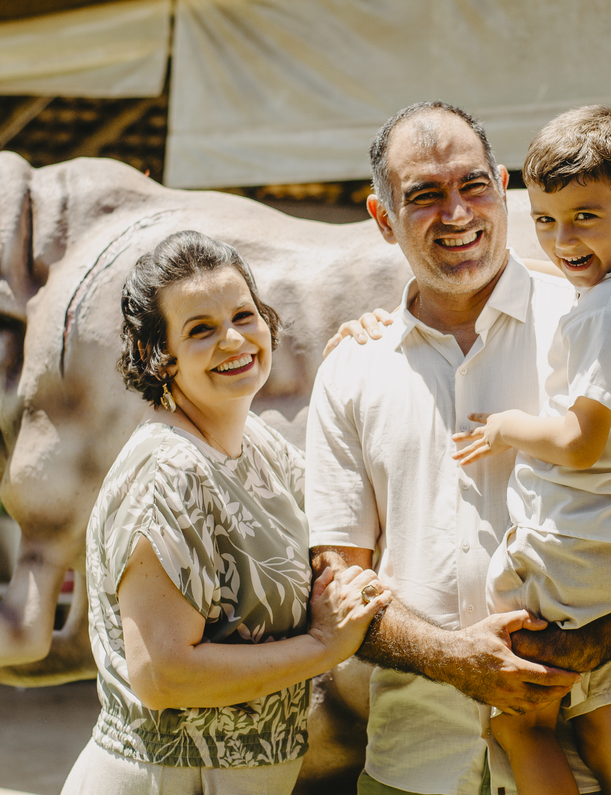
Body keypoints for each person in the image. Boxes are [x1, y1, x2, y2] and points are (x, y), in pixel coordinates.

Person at [306, 101, 611, 795]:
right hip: (417, 763)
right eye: (424, 194)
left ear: (502, 187)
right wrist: (453, 659)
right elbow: (338, 583)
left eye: (473, 185)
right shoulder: (354, 367)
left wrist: (581, 650)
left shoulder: (598, 314)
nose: (457, 212)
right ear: (383, 217)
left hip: (591, 769)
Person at [61, 230, 390, 794]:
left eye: (243, 315)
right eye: (200, 329)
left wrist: (364, 366)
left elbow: (350, 511)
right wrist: (322, 647)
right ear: (155, 355)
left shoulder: (254, 444)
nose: (234, 339)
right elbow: (162, 674)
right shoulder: (168, 472)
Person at [450, 106, 611, 795]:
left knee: (521, 724)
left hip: (569, 557)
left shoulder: (607, 317)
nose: (563, 240)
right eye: (545, 220)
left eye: (584, 217)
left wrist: (505, 426)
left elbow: (579, 443)